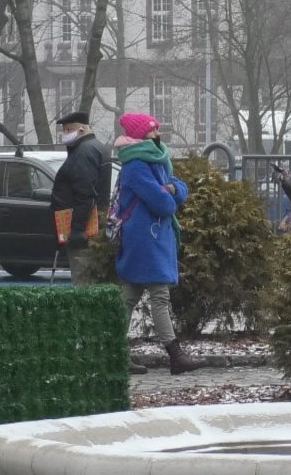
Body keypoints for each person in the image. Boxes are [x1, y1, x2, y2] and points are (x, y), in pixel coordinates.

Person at [114, 112, 206, 376]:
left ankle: (115, 353)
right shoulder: (136, 165)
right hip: (145, 238)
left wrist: (173, 190)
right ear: (140, 135)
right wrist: (171, 192)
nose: (157, 134)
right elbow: (164, 203)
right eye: (152, 131)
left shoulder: (155, 159)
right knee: (158, 295)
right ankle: (175, 355)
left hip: (151, 236)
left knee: (130, 296)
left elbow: (178, 187)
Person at [50, 111, 111, 286]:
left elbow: (85, 194)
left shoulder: (83, 152)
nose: (65, 135)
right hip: (92, 224)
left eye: (68, 130)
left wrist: (77, 230)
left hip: (82, 228)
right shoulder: (96, 147)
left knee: (82, 281)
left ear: (82, 129)